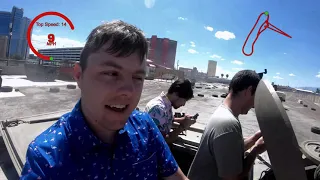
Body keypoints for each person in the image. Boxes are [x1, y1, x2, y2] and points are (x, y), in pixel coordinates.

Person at [20, 20, 189, 180]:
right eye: (111, 73)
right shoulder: (46, 157)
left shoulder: (145, 128)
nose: (128, 91)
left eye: (137, 78)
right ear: (79, 75)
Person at [187, 70, 266, 180]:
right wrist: (255, 150)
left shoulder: (223, 113)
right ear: (248, 91)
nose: (254, 104)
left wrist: (253, 139)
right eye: (256, 97)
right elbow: (234, 178)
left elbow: (229, 150)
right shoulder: (228, 125)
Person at [145, 79, 195, 144]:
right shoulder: (158, 109)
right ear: (176, 94)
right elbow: (161, 141)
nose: (183, 104)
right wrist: (183, 127)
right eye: (184, 100)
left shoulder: (165, 104)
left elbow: (164, 120)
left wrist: (182, 120)